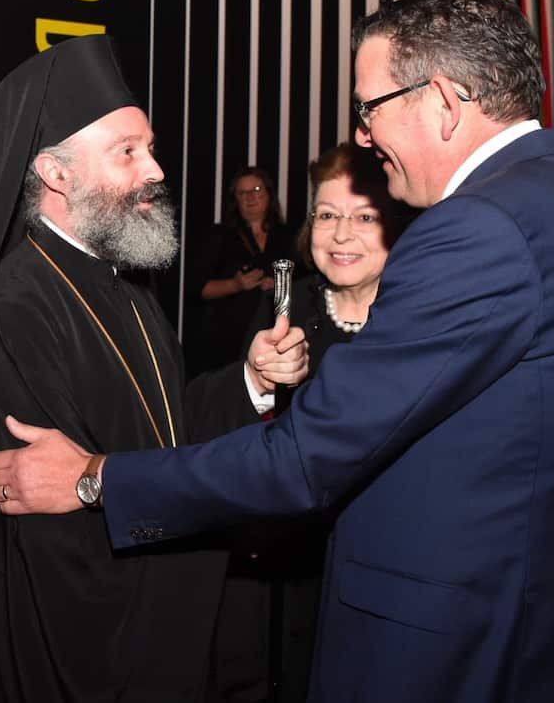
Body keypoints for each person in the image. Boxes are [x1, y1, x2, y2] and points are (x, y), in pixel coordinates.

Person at [0, 0, 554, 702]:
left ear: (443, 102)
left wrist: (91, 477)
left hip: (460, 647)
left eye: (370, 108)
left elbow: (304, 459)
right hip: (533, 619)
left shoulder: (481, 229)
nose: (361, 134)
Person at [0, 35, 307, 702]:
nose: (155, 169)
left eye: (149, 147)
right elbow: (54, 539)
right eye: (128, 152)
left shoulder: (123, 279)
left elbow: (164, 428)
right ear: (56, 173)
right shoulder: (15, 309)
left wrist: (250, 380)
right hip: (82, 651)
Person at [202, 142, 413, 703]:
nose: (341, 234)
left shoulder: (419, 324)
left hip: (388, 584)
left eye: (364, 216)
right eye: (326, 214)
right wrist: (257, 380)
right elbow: (220, 440)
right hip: (286, 581)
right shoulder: (285, 313)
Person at [189, 166, 299, 372]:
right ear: (235, 200)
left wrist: (280, 286)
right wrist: (236, 285)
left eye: (256, 189)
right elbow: (198, 289)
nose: (250, 197)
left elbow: (307, 283)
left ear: (269, 194)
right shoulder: (219, 236)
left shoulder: (290, 235)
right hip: (226, 344)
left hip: (277, 340)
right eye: (242, 193)